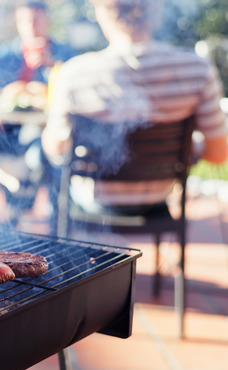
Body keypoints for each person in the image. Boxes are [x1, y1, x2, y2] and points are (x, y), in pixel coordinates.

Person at [42, 0, 228, 215]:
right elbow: (218, 154)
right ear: (156, 14)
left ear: (103, 15)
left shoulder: (74, 73)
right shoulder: (197, 68)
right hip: (159, 197)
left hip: (95, 200)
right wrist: (187, 147)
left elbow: (56, 150)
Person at [0, 1, 77, 218]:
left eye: (36, 19)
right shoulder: (6, 54)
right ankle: (6, 210)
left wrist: (51, 66)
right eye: (25, 20)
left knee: (43, 153)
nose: (31, 26)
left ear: (47, 21)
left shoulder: (63, 53)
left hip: (45, 127)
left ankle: (54, 221)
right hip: (7, 127)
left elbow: (72, 90)